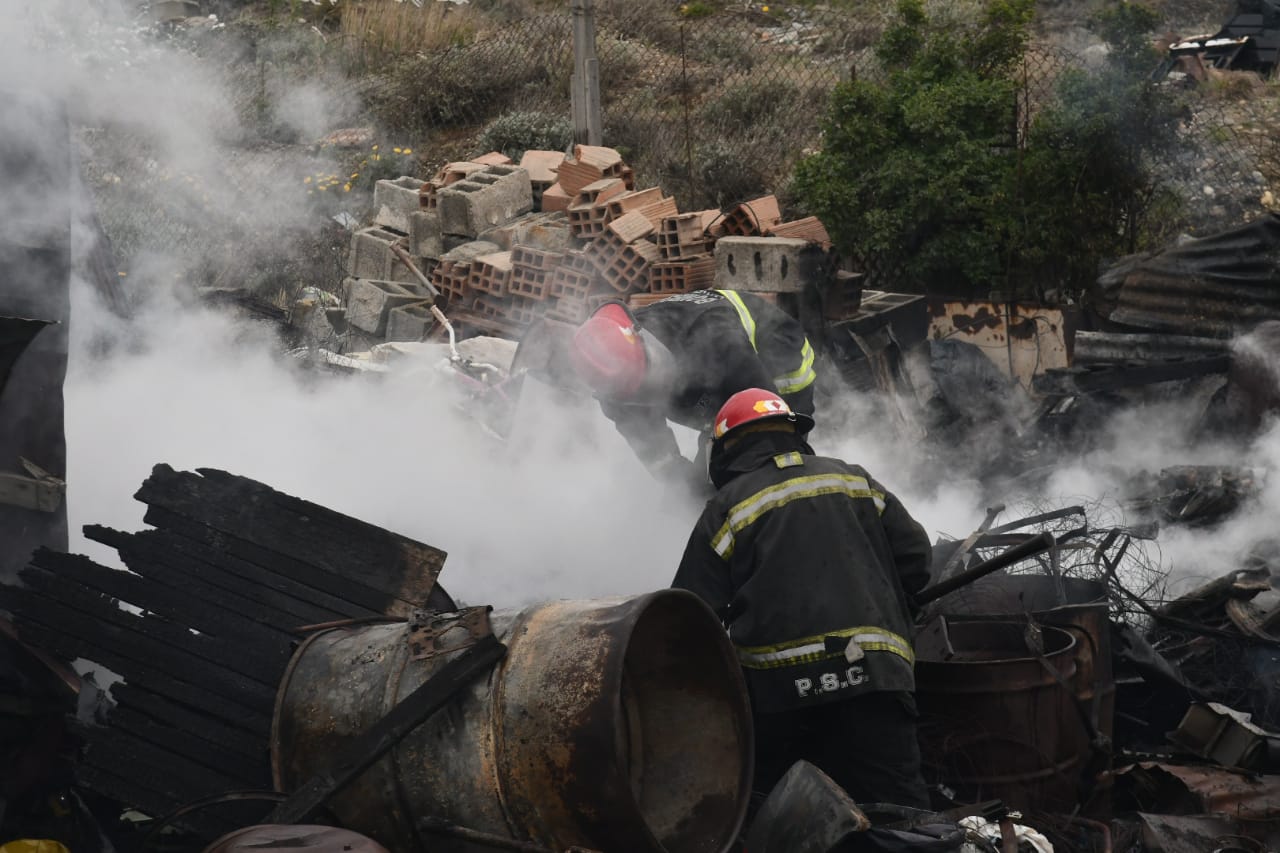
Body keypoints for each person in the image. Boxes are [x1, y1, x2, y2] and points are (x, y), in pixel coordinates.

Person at [671, 387, 933, 808]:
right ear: (793, 432)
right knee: (899, 811)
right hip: (874, 676)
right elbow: (917, 560)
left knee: (783, 814)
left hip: (780, 697)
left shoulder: (727, 508)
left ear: (727, 449)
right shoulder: (852, 477)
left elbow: (690, 614)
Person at [568, 290, 816, 488]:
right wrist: (689, 492)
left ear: (645, 342)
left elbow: (768, 420)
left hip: (776, 356)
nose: (653, 392)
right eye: (640, 394)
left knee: (774, 461)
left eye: (649, 378)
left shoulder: (713, 336)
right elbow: (659, 458)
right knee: (708, 481)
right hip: (711, 385)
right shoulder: (613, 384)